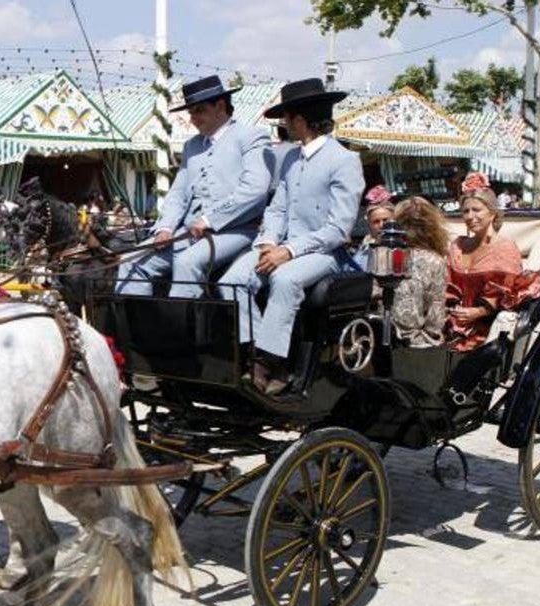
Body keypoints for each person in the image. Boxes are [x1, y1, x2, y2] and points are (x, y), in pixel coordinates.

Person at [219, 77, 364, 395]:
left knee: (285, 280)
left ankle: (272, 363)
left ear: (299, 120)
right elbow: (277, 209)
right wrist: (268, 242)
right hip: (279, 247)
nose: (283, 124)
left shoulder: (344, 161)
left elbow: (339, 229)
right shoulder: (291, 159)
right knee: (232, 281)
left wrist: (289, 251)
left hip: (324, 253)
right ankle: (255, 352)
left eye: (285, 118)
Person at [115, 75, 272, 298]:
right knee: (130, 261)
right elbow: (178, 193)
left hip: (237, 230)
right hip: (188, 232)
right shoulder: (192, 146)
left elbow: (254, 190)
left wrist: (209, 220)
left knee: (187, 263)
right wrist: (165, 228)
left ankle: (182, 320)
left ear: (220, 106)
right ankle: (136, 320)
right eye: (191, 113)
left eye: (199, 111)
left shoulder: (251, 137)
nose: (193, 119)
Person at [445, 173, 540, 350]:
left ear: (492, 213)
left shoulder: (505, 248)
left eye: (476, 210)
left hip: (488, 330)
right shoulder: (457, 246)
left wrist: (479, 311)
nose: (470, 216)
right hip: (451, 324)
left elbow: (510, 295)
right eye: (466, 211)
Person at [389, 196, 449, 347]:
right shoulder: (435, 261)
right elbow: (435, 314)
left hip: (384, 333)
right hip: (415, 342)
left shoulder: (387, 255)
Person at [349, 185, 396, 270]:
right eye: (376, 222)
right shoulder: (363, 251)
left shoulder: (402, 248)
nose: (381, 225)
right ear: (369, 225)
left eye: (385, 220)